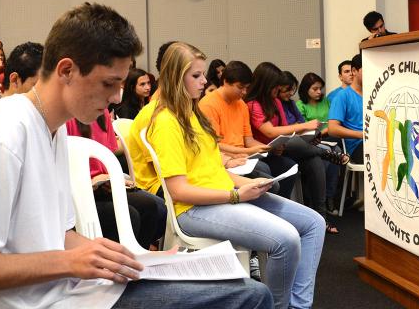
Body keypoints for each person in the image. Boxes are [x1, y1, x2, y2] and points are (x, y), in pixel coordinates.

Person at [0, 3, 272, 309]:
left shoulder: (52, 128)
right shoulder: (3, 132)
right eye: (109, 83)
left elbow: (56, 235)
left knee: (243, 290)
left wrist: (121, 257)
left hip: (77, 291)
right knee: (249, 297)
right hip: (42, 301)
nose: (118, 97)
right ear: (66, 70)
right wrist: (71, 262)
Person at [129, 42, 323, 308]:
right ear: (175, 77)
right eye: (195, 76)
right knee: (286, 240)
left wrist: (249, 183)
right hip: (192, 209)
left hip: (220, 197)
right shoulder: (165, 122)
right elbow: (178, 192)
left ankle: (299, 305)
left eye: (202, 75)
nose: (204, 81)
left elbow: (213, 170)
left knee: (313, 223)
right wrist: (235, 195)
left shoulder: (192, 115)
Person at [246, 62, 341, 233]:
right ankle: (324, 152)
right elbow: (269, 131)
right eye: (276, 88)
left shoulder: (275, 101)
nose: (278, 92)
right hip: (264, 150)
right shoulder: (253, 104)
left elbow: (284, 126)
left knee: (314, 161)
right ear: (266, 85)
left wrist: (302, 132)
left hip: (281, 147)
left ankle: (321, 218)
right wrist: (304, 127)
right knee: (299, 149)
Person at [66, 109, 167, 249]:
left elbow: (108, 154)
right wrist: (91, 181)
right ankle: (119, 263)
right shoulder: (68, 118)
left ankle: (140, 258)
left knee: (153, 206)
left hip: (105, 186)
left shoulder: (104, 114)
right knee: (131, 216)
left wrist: (112, 178)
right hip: (79, 191)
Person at [198, 61, 297, 196]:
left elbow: (249, 140)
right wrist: (248, 151)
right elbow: (214, 145)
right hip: (225, 159)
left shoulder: (241, 105)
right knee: (267, 177)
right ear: (226, 81)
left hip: (244, 156)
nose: (244, 92)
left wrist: (267, 148)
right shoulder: (208, 105)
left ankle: (277, 208)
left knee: (287, 165)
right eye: (240, 87)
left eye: (247, 88)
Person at [327, 54, 364, 164]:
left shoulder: (373, 93)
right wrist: (361, 134)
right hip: (357, 147)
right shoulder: (342, 96)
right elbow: (332, 129)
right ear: (354, 71)